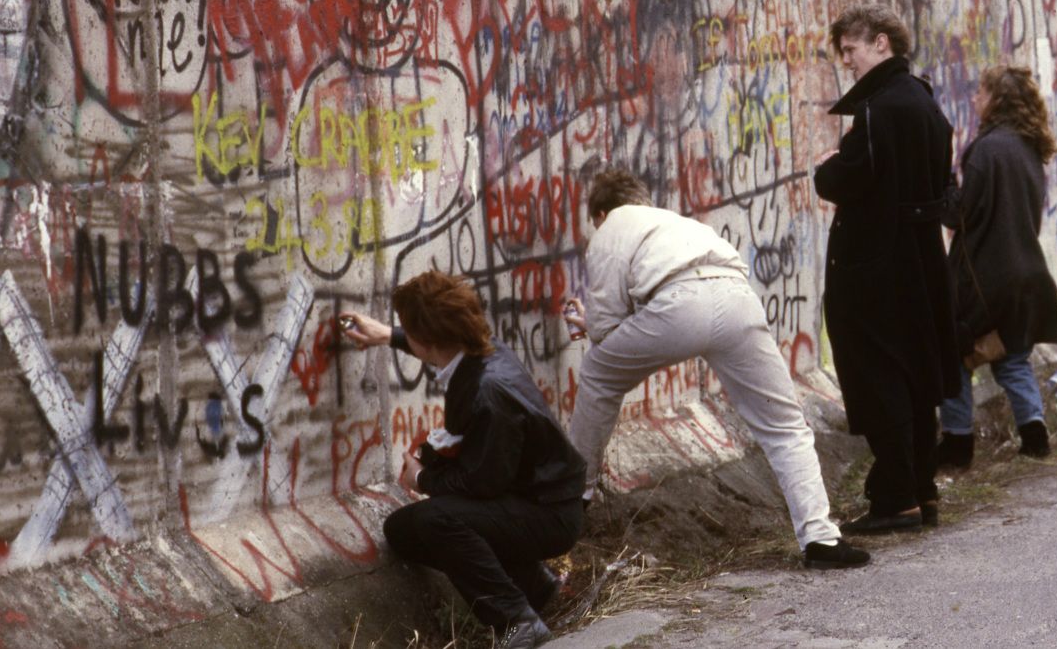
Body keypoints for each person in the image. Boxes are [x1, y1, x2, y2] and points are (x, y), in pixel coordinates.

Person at [563, 168, 870, 570]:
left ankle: (574, 497)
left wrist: (591, 327)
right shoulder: (674, 221)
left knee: (598, 375)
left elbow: (607, 329)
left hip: (676, 307)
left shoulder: (609, 229)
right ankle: (821, 538)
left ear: (600, 212)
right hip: (735, 297)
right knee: (784, 423)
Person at [340, 271, 586, 649]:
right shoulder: (483, 352)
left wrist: (422, 478)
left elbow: (483, 484)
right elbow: (436, 344)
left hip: (549, 514)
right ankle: (534, 586)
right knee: (404, 530)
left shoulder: (488, 394)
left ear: (428, 339)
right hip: (531, 499)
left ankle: (516, 620)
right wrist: (388, 335)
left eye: (410, 330)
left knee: (438, 520)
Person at [813, 3, 961, 534]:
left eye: (851, 50)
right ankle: (920, 489)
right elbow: (944, 181)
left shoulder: (878, 108)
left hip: (875, 264)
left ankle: (897, 496)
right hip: (919, 258)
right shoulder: (922, 98)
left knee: (879, 375)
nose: (847, 61)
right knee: (915, 373)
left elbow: (847, 179)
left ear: (881, 43)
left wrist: (827, 171)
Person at [935, 65, 1057, 468]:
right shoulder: (1028, 148)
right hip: (1026, 275)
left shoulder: (986, 150)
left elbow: (958, 215)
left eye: (980, 93)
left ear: (997, 100)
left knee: (954, 355)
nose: (974, 99)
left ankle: (957, 444)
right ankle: (1034, 435)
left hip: (983, 276)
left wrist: (943, 184)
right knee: (1013, 359)